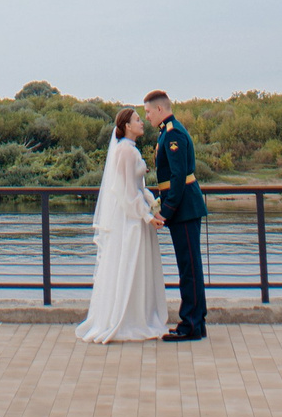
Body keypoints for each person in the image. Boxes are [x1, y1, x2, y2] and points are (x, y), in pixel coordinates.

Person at [74, 107, 167, 342]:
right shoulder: (125, 152)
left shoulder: (130, 150)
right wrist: (147, 216)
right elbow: (126, 193)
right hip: (130, 222)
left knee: (135, 269)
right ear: (126, 125)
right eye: (137, 119)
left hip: (136, 216)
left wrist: (152, 206)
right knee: (129, 266)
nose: (142, 122)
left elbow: (138, 188)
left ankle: (139, 316)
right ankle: (129, 320)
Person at [145, 90, 206, 340]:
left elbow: (179, 177)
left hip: (184, 209)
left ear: (160, 110)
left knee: (189, 268)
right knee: (190, 266)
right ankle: (196, 322)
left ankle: (190, 324)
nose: (146, 116)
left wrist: (166, 212)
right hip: (182, 207)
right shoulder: (167, 131)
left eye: (148, 112)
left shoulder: (173, 134)